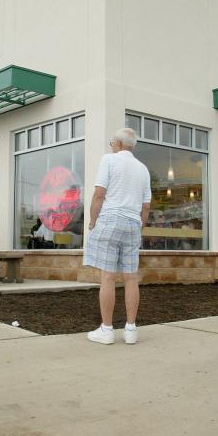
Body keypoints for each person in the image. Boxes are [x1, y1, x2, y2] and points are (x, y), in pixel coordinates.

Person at [83, 127, 151, 345]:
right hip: (133, 222)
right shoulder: (143, 169)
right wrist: (139, 227)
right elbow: (146, 207)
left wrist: (93, 221)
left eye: (112, 142)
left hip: (111, 219)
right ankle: (131, 330)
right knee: (131, 277)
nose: (111, 145)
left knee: (108, 276)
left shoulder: (109, 160)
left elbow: (99, 195)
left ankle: (107, 329)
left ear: (119, 144)